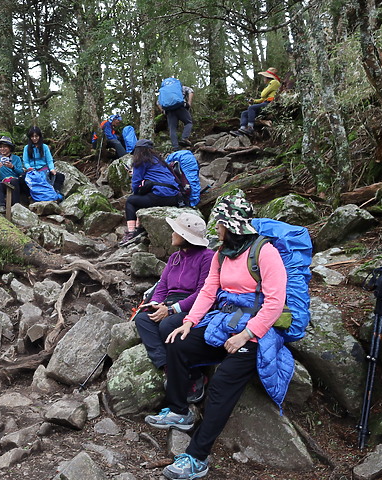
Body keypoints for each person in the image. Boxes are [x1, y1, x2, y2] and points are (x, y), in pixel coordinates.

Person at [146, 193, 290, 480]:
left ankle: (198, 457)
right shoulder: (222, 254)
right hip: (223, 322)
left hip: (256, 327)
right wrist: (188, 322)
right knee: (178, 342)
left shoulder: (264, 252)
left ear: (230, 223)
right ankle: (179, 410)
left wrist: (247, 334)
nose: (217, 230)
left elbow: (274, 302)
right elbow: (209, 291)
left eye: (220, 224)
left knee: (223, 382)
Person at [134, 213, 214, 403]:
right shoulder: (175, 258)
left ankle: (194, 374)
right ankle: (170, 368)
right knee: (143, 319)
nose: (172, 234)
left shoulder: (207, 257)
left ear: (185, 237)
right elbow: (162, 286)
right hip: (169, 302)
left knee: (167, 325)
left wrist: (172, 310)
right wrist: (155, 304)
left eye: (176, 231)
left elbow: (203, 292)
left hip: (192, 305)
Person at [119, 139, 180, 246]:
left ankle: (132, 232)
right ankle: (139, 226)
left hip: (160, 196)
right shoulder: (159, 161)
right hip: (174, 197)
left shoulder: (140, 161)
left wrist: (136, 191)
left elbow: (136, 183)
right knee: (144, 196)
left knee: (131, 201)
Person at [234, 68, 282, 136]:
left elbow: (263, 94)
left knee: (251, 108)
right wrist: (254, 101)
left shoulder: (274, 82)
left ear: (268, 77)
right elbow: (262, 99)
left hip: (270, 104)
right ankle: (242, 129)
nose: (263, 79)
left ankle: (250, 128)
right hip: (265, 103)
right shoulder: (270, 84)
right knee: (244, 113)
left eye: (264, 77)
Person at [22, 126, 65, 194]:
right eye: (32, 137)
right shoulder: (26, 148)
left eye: (36, 136)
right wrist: (29, 168)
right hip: (32, 171)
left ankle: (55, 193)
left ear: (40, 136)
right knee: (22, 179)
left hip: (44, 170)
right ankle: (29, 196)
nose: (34, 138)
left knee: (60, 176)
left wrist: (52, 169)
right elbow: (26, 162)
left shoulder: (45, 147)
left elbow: (49, 160)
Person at [0, 136, 24, 213]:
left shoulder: (16, 158)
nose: (2, 149)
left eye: (5, 147)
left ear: (10, 148)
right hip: (3, 181)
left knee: (14, 181)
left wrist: (12, 167)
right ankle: (1, 206)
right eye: (1, 147)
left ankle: (15, 205)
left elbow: (21, 172)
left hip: (15, 181)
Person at [159, 84, 194, 150]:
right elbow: (191, 91)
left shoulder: (164, 92)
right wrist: (189, 103)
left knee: (172, 129)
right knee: (188, 122)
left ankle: (175, 147)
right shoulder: (179, 87)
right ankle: (184, 138)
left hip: (169, 111)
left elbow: (158, 102)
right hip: (181, 107)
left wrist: (163, 111)